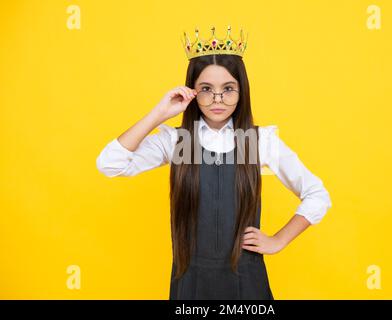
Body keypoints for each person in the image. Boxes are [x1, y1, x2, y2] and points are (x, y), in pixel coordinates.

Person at [96, 26, 332, 300]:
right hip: (191, 284)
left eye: (228, 89)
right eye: (206, 89)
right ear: (192, 92)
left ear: (242, 91)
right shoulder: (178, 141)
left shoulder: (257, 141)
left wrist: (279, 240)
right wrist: (159, 113)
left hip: (247, 285)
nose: (218, 99)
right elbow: (109, 163)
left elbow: (318, 195)